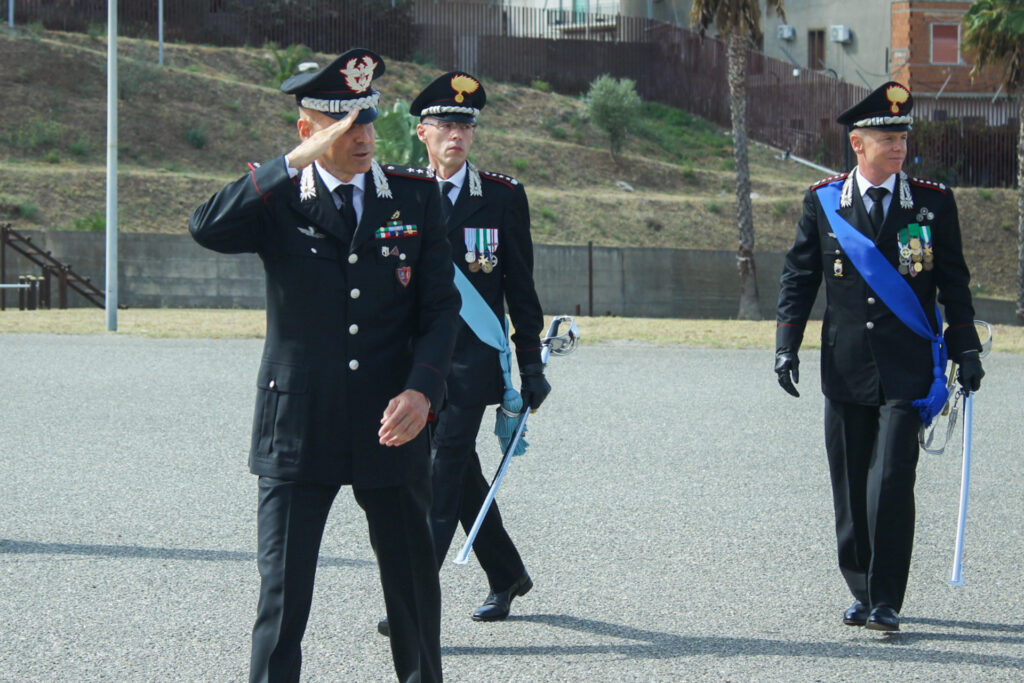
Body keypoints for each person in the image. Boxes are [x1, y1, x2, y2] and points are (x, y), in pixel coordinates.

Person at [188, 48, 459, 682]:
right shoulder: (277, 198)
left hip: (390, 423)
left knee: (414, 593)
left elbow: (440, 310)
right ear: (309, 131)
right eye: (343, 126)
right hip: (299, 426)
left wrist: (424, 391)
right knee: (282, 600)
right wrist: (290, 167)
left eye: (367, 121)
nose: (362, 136)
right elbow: (205, 226)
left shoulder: (414, 199)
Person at [774, 81, 985, 633]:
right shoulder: (824, 202)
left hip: (907, 368)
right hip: (845, 365)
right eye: (887, 137)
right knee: (848, 483)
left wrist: (966, 349)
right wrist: (785, 345)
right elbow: (799, 275)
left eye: (902, 138)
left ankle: (887, 598)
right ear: (857, 143)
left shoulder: (933, 203)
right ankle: (862, 589)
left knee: (891, 479)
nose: (899, 147)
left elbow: (954, 284)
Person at [378, 71, 548, 637]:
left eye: (466, 127)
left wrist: (531, 367)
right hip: (413, 363)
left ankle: (412, 604)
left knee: (439, 473)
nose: (458, 135)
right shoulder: (397, 191)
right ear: (422, 132)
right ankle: (507, 574)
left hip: (472, 363)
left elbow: (521, 291)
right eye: (447, 125)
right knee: (461, 474)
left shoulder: (501, 197)